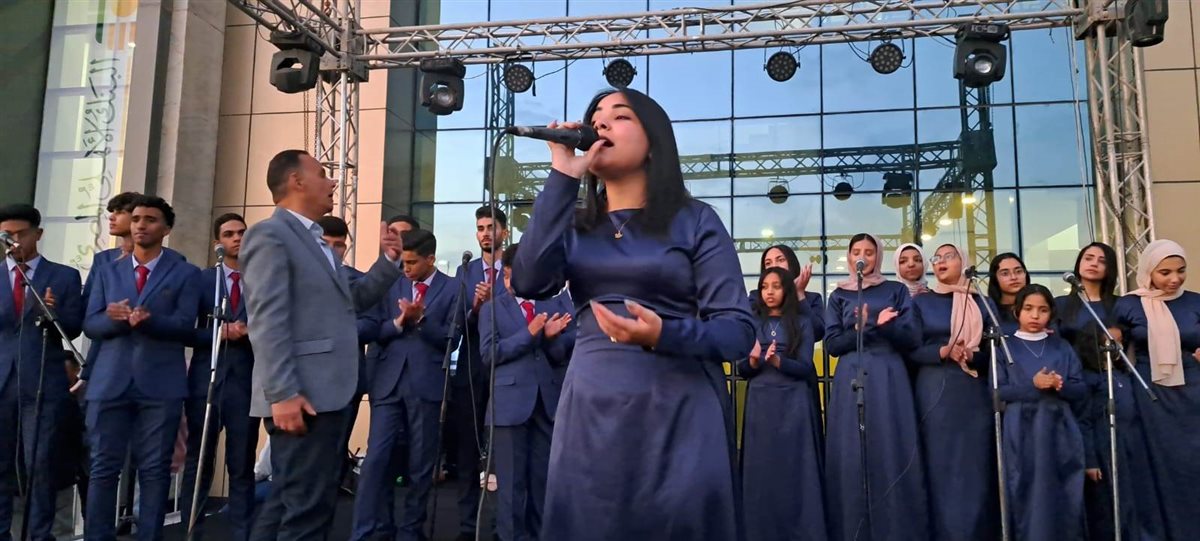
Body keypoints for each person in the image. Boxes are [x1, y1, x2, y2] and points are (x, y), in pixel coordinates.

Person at [511, 88, 755, 539]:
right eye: (595, 117)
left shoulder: (695, 220)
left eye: (620, 116)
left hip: (678, 409)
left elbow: (737, 331)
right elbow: (528, 281)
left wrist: (663, 333)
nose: (601, 123)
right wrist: (562, 176)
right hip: (591, 409)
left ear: (654, 143)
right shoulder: (576, 225)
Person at [241, 149, 403, 541]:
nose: (332, 181)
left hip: (328, 393)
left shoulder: (317, 243)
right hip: (302, 395)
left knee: (293, 502)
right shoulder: (270, 235)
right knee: (306, 512)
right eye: (321, 173)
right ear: (296, 181)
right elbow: (267, 319)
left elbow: (353, 300)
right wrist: (283, 393)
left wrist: (388, 261)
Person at [82, 196, 202, 541]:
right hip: (110, 380)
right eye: (136, 219)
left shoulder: (185, 273)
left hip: (160, 383)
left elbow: (186, 326)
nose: (140, 225)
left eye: (150, 219)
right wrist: (113, 318)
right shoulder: (107, 269)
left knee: (154, 469)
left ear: (166, 228)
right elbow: (90, 324)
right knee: (103, 467)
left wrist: (150, 320)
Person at [352, 229, 461, 541]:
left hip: (427, 385)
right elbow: (372, 328)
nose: (406, 268)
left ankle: (411, 532)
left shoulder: (454, 287)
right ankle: (371, 530)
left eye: (412, 262)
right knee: (376, 460)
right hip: (388, 382)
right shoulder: (391, 282)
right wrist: (399, 323)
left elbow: (452, 339)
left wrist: (422, 320)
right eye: (403, 262)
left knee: (421, 465)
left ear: (431, 259)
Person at [823, 233, 927, 541]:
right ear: (848, 256)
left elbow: (912, 337)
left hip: (888, 375)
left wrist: (885, 326)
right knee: (852, 451)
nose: (863, 257)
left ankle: (894, 528)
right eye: (857, 251)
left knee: (889, 445)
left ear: (878, 256)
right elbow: (832, 345)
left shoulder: (895, 290)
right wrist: (864, 328)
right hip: (850, 376)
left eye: (869, 252)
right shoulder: (839, 295)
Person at [478, 241, 574, 541]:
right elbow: (489, 354)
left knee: (542, 483)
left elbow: (558, 356)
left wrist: (551, 338)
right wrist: (530, 334)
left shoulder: (549, 305)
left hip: (545, 403)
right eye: (508, 275)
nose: (512, 282)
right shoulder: (492, 309)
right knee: (511, 487)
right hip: (509, 407)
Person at [0, 204, 85, 541]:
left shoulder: (63, 276)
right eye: (7, 235)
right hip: (2, 382)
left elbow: (75, 327)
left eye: (21, 234)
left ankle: (39, 534)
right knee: (1, 463)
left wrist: (54, 313)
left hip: (42, 383)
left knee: (40, 463)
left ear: (38, 234)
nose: (15, 241)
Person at [909, 244, 999, 540]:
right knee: (940, 467)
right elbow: (910, 350)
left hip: (973, 394)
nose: (941, 262)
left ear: (964, 262)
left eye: (949, 256)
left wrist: (972, 355)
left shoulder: (982, 302)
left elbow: (997, 354)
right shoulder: (921, 302)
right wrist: (942, 351)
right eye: (936, 258)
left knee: (975, 468)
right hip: (935, 392)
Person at [1113, 239, 1200, 540]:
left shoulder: (1196, 302)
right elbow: (1114, 350)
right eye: (1165, 272)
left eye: (1180, 270)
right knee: (1157, 466)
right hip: (1150, 394)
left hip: (1194, 392)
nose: (1174, 279)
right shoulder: (1129, 304)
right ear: (1149, 271)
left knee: (1193, 464)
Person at [179, 213, 258, 541]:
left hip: (247, 380)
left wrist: (250, 331)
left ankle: (242, 533)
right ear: (218, 243)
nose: (237, 238)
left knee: (242, 464)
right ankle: (191, 531)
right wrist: (218, 333)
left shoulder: (261, 278)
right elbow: (184, 330)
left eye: (241, 232)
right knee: (199, 461)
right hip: (206, 381)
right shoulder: (202, 280)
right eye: (229, 234)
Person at [738, 267, 825, 541]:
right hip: (760, 404)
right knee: (762, 472)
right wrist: (754, 361)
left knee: (794, 471)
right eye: (765, 286)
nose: (769, 292)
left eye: (776, 286)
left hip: (793, 403)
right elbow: (742, 369)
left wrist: (779, 361)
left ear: (787, 290)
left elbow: (805, 367)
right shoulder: (753, 322)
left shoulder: (802, 322)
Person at [999, 284, 1087, 541]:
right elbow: (997, 392)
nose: (1035, 316)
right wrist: (1034, 385)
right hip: (1021, 429)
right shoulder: (1004, 346)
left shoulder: (1061, 346)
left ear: (1051, 314)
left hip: (1060, 427)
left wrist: (1060, 385)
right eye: (1028, 308)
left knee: (1063, 492)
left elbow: (1080, 389)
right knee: (1025, 491)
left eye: (1043, 310)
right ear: (1017, 311)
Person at [451, 205, 509, 540]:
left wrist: (495, 302)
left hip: (506, 364)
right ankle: (466, 526)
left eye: (491, 227)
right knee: (467, 449)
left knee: (504, 448)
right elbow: (455, 324)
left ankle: (503, 526)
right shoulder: (466, 271)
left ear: (504, 231)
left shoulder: (515, 270)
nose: (485, 233)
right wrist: (476, 306)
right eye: (480, 228)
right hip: (472, 367)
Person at [317, 215, 384, 484]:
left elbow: (371, 324)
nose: (334, 250)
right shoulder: (297, 278)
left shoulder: (359, 281)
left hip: (348, 379)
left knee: (335, 452)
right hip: (308, 379)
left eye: (339, 245)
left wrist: (338, 329)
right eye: (327, 244)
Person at [77, 191, 141, 390]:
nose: (112, 217)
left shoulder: (171, 260)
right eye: (112, 212)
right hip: (104, 355)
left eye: (120, 212)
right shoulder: (104, 260)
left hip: (147, 356)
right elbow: (89, 310)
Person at [756, 244, 824, 340]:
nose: (774, 266)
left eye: (780, 260)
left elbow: (817, 333)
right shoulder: (755, 297)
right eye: (768, 263)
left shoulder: (812, 298)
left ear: (792, 264)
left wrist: (799, 294)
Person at [987, 253, 1029, 335]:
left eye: (1018, 271)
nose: (1014, 277)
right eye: (1005, 273)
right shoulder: (988, 310)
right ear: (995, 278)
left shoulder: (1038, 306)